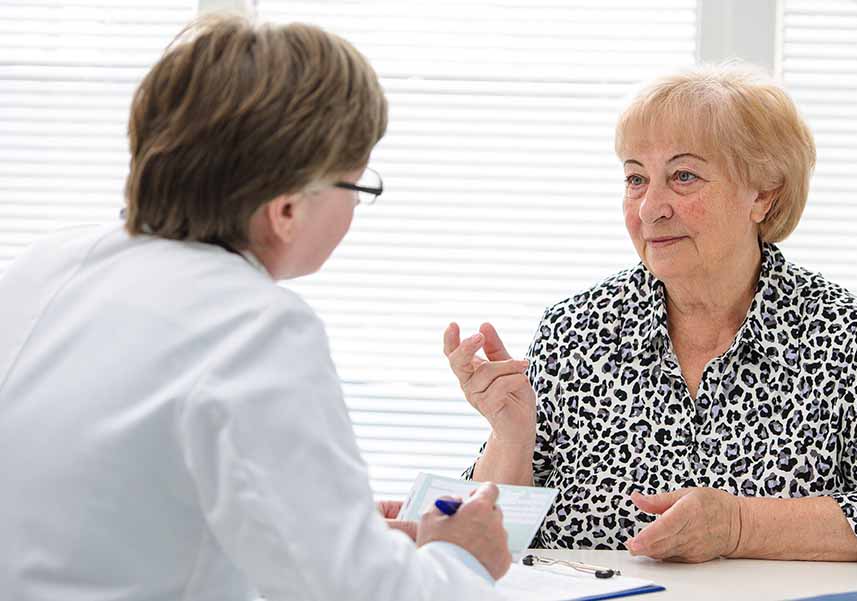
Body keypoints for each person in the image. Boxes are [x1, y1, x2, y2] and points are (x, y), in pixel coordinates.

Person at [0, 16, 510, 600]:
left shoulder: (46, 266)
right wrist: (461, 557)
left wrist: (329, 521)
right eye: (356, 185)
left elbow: (110, 510)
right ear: (287, 210)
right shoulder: (253, 328)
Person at [444, 64, 857, 565]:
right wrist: (511, 436)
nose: (650, 209)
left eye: (684, 176)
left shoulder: (847, 334)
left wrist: (738, 526)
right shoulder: (574, 328)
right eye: (635, 179)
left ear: (763, 193)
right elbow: (474, 540)